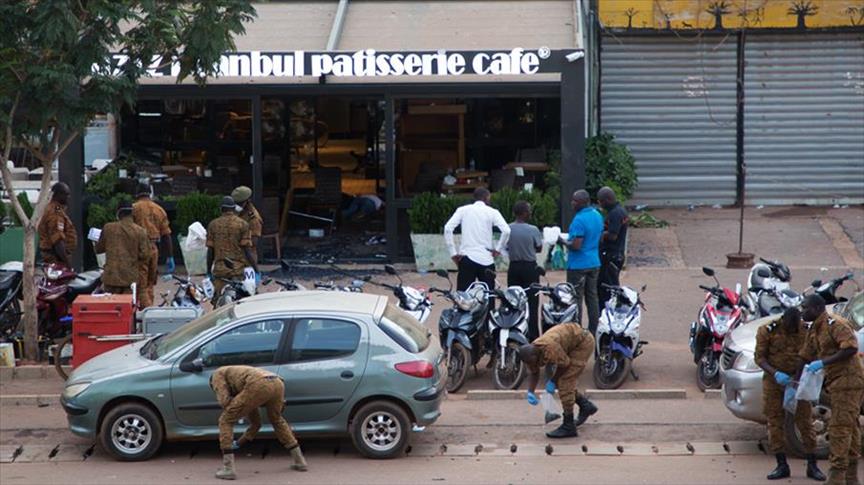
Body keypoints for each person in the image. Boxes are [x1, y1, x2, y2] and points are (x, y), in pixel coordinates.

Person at [798, 294, 864, 485]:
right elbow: (805, 355)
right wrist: (794, 382)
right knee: (850, 427)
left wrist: (823, 362)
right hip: (835, 381)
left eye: (805, 308)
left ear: (816, 308)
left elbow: (850, 348)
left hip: (848, 381)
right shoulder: (815, 328)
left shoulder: (835, 324)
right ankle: (851, 477)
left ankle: (837, 476)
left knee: (839, 429)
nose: (802, 312)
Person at [754, 307, 825, 481]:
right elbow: (760, 358)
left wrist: (799, 378)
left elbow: (813, 354)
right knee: (775, 422)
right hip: (774, 382)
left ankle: (812, 465)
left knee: (805, 422)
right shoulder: (767, 330)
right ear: (783, 321)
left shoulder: (806, 331)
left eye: (795, 327)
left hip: (798, 381)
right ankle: (781, 464)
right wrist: (775, 373)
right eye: (789, 327)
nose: (793, 330)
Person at [210, 365, 307, 480]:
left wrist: (234, 405)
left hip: (257, 384)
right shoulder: (236, 375)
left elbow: (224, 401)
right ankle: (299, 461)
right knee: (277, 420)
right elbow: (256, 423)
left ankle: (228, 468)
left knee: (225, 420)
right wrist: (239, 442)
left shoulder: (217, 375)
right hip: (277, 382)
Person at [519, 323, 598, 438]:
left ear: (536, 355)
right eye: (529, 363)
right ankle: (586, 406)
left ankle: (568, 426)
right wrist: (530, 392)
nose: (531, 364)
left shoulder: (550, 347)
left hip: (583, 343)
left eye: (532, 362)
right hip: (570, 343)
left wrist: (552, 381)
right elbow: (534, 372)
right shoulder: (530, 355)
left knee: (565, 382)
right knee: (564, 384)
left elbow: (565, 364)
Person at [444, 187, 510, 291]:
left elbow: (448, 228)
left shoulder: (463, 210)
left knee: (464, 296)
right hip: (486, 259)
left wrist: (453, 253)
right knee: (488, 294)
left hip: (467, 257)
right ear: (487, 197)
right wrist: (498, 249)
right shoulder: (493, 212)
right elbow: (506, 231)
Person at [561, 190, 604, 335]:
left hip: (578, 265)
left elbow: (576, 245)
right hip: (594, 262)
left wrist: (562, 241)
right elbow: (599, 238)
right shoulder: (597, 215)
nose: (572, 203)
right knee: (592, 297)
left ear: (582, 203)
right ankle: (593, 330)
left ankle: (577, 331)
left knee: (576, 298)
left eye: (575, 201)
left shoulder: (579, 220)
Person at [207, 196, 258, 301]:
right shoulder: (243, 224)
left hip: (220, 272)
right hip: (237, 271)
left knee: (219, 301)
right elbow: (247, 251)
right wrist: (256, 269)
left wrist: (208, 270)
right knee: (240, 300)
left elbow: (210, 251)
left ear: (221, 209)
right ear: (234, 208)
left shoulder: (213, 225)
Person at [94, 202, 150, 298]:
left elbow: (98, 249)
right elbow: (145, 255)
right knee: (127, 305)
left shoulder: (108, 228)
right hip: (130, 279)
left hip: (111, 278)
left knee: (111, 304)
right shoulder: (140, 231)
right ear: (132, 214)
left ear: (118, 213)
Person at [132, 184, 174, 308]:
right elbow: (167, 235)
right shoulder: (159, 209)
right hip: (153, 247)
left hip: (138, 248)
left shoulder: (133, 208)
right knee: (150, 282)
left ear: (137, 194)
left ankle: (147, 309)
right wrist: (170, 256)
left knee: (141, 283)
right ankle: (149, 307)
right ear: (150, 193)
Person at [506, 201, 543, 341]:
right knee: (532, 302)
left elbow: (505, 246)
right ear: (524, 213)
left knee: (514, 301)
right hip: (530, 268)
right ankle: (533, 336)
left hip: (514, 267)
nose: (530, 213)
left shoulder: (508, 228)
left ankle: (515, 333)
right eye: (529, 210)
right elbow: (539, 248)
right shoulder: (533, 229)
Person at [597, 187, 628, 306]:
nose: (600, 204)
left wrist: (601, 234)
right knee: (609, 287)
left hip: (612, 256)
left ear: (608, 200)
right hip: (616, 254)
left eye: (601, 201)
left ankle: (608, 311)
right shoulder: (619, 211)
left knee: (607, 289)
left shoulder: (615, 213)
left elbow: (613, 236)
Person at [37, 182, 76, 267]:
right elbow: (57, 240)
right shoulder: (55, 212)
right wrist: (67, 263)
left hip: (54, 256)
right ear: (58, 195)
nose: (68, 197)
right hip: (55, 258)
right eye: (66, 194)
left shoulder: (54, 209)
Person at [230, 185, 263, 263]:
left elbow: (254, 242)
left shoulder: (253, 219)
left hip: (247, 258)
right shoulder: (236, 212)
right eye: (235, 203)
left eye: (240, 203)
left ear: (247, 201)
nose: (237, 206)